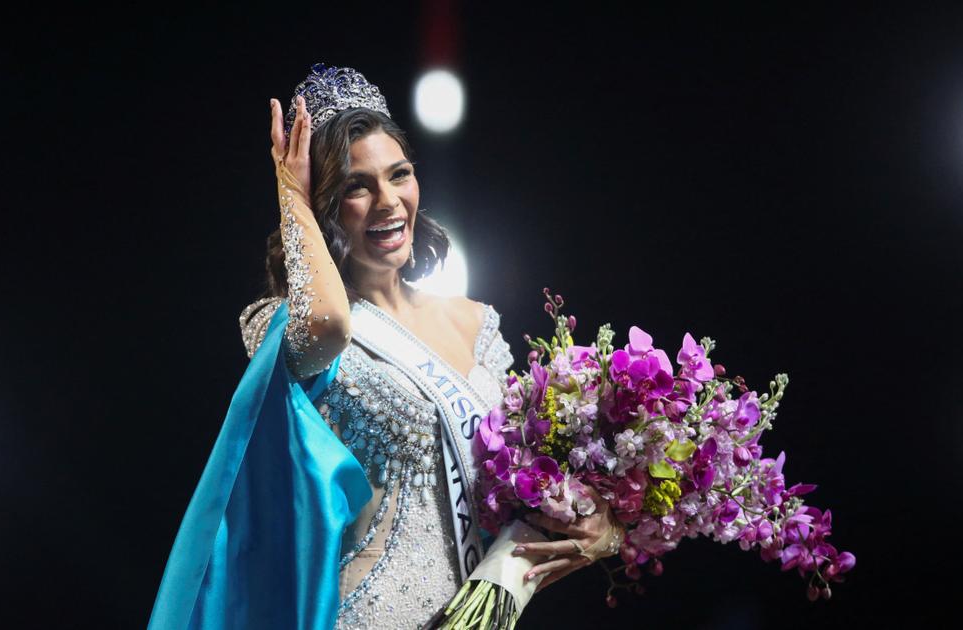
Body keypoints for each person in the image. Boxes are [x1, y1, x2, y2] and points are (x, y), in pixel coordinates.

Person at [148, 63, 622, 630]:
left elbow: (519, 508)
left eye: (399, 175)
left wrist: (604, 528)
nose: (388, 201)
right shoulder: (284, 326)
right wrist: (289, 193)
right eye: (356, 186)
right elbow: (329, 323)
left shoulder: (477, 322)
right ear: (323, 203)